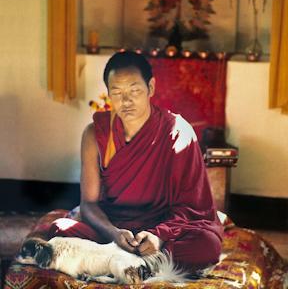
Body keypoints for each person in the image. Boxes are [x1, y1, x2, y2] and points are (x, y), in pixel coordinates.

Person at [49, 51, 223, 270]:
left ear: (150, 88)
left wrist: (157, 237)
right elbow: (89, 204)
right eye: (117, 92)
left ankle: (112, 260)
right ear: (109, 95)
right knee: (61, 228)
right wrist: (113, 234)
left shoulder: (178, 133)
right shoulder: (95, 135)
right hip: (113, 227)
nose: (126, 101)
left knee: (207, 246)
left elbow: (192, 208)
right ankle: (133, 261)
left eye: (134, 90)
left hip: (162, 225)